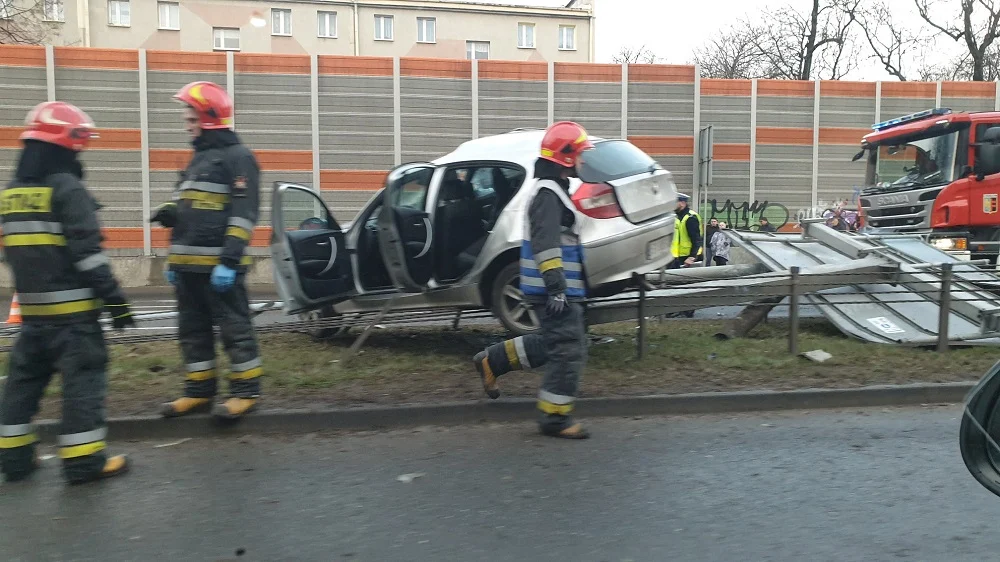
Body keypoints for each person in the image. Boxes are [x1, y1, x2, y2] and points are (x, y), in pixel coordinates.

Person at [0, 101, 135, 484]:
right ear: (66, 144)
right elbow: (89, 256)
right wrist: (116, 301)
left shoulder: (11, 193)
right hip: (74, 321)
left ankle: (14, 460)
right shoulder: (67, 189)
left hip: (33, 318)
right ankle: (83, 462)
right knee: (82, 385)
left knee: (22, 386)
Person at [471, 121, 594, 439]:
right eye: (580, 153)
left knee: (556, 343)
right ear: (566, 157)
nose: (584, 160)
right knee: (568, 350)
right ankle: (554, 418)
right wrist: (557, 288)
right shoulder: (547, 194)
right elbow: (545, 244)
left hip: (558, 289)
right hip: (553, 290)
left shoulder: (554, 190)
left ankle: (492, 361)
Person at [150, 81, 263, 421]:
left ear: (210, 118)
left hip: (218, 268)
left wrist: (228, 261)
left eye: (192, 119)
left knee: (235, 330)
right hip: (187, 267)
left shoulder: (238, 158)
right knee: (192, 332)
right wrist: (171, 213)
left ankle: (245, 392)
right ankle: (199, 391)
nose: (187, 125)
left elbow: (243, 214)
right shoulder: (198, 159)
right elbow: (189, 205)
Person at [666, 193, 703, 270]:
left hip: (689, 258)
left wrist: (692, 257)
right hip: (677, 257)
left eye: (675, 202)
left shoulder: (690, 218)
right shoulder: (675, 216)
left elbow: (696, 239)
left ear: (683, 203)